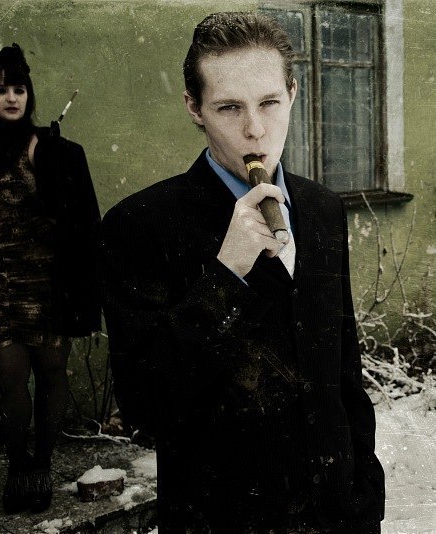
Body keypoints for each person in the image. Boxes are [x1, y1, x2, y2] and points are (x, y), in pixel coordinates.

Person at [101, 12, 385, 533]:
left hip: (338, 514)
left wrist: (365, 492)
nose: (255, 129)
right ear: (194, 108)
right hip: (225, 519)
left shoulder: (322, 209)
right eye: (229, 107)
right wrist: (226, 273)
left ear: (292, 95)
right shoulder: (139, 225)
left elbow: (343, 370)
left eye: (269, 102)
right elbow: (144, 405)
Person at [0, 44, 101, 514]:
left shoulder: (49, 149)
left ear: (29, 95)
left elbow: (79, 223)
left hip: (47, 284)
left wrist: (54, 186)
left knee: (51, 373)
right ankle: (17, 467)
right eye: (1, 89)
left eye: (20, 89)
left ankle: (42, 465)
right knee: (10, 379)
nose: (12, 98)